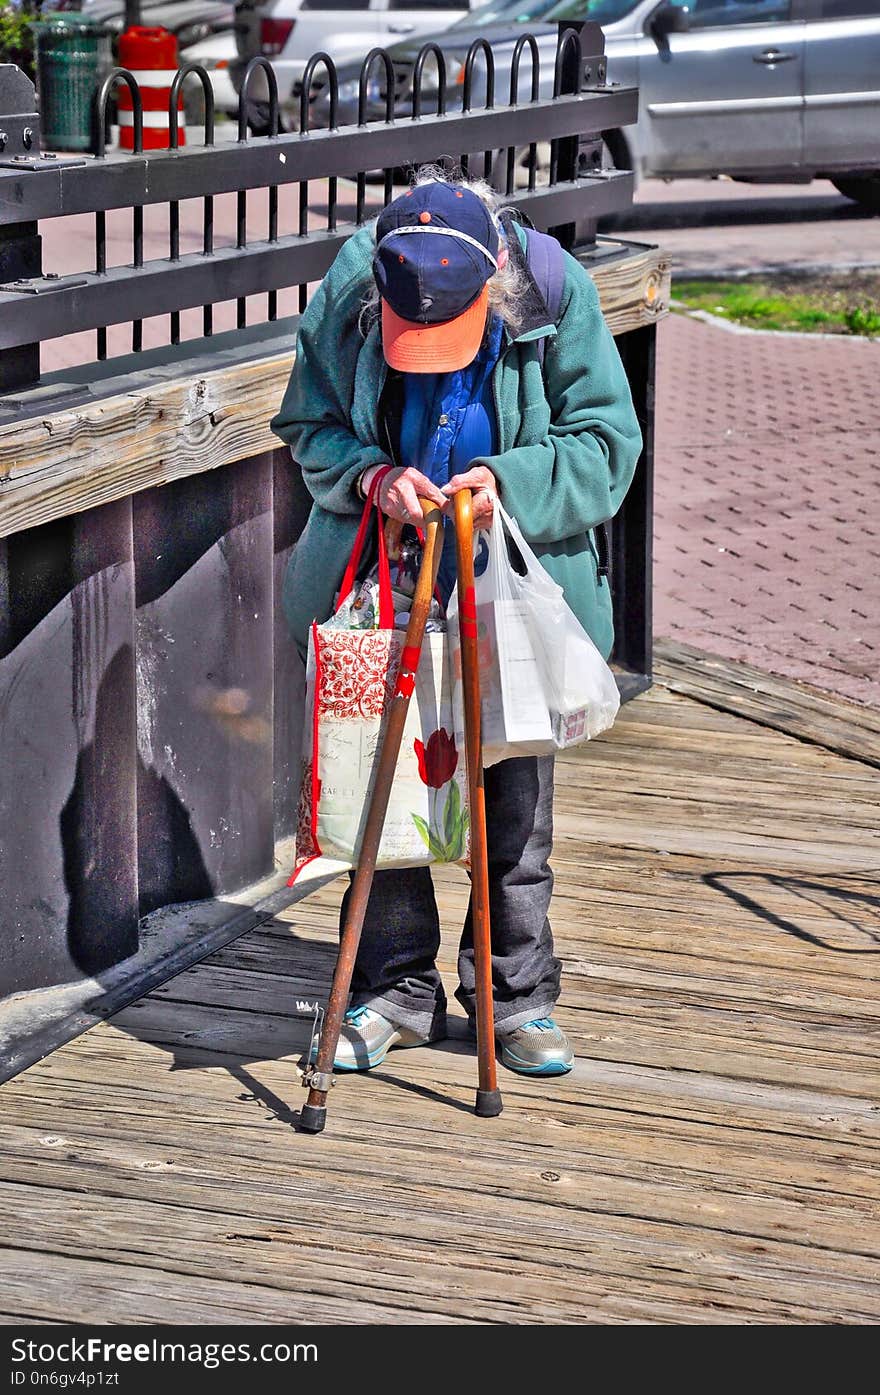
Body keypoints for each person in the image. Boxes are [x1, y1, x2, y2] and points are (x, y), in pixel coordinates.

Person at [271, 171, 642, 1077]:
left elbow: (606, 445)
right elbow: (307, 421)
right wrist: (370, 475)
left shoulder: (554, 295)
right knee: (384, 785)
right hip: (384, 570)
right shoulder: (354, 285)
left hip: (513, 582)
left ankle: (514, 996)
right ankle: (395, 988)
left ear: (493, 291)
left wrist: (504, 482)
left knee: (512, 798)